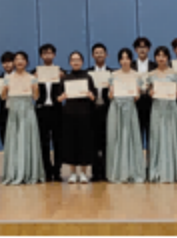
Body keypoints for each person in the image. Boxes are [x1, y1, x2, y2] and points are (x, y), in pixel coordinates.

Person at [145, 47, 177, 184]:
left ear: (168, 58)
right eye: (158, 55)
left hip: (171, 108)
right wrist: (150, 92)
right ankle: (157, 170)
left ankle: (175, 171)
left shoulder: (174, 73)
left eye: (164, 56)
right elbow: (147, 89)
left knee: (172, 136)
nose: (161, 58)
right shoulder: (151, 74)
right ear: (155, 58)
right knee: (157, 137)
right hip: (157, 108)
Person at [2, 52, 46, 186]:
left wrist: (36, 89)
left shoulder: (32, 78)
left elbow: (36, 98)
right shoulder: (8, 78)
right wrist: (4, 89)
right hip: (13, 112)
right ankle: (13, 172)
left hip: (28, 112)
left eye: (22, 59)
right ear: (14, 62)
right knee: (14, 141)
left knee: (28, 140)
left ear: (27, 62)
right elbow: (3, 97)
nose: (19, 61)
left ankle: (30, 172)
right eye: (17, 59)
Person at [106, 48, 146, 184]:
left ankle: (132, 171)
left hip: (130, 109)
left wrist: (137, 94)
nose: (124, 61)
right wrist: (111, 92)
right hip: (116, 109)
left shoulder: (137, 75)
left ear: (131, 60)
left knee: (131, 137)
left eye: (127, 58)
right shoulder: (113, 75)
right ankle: (117, 171)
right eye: (122, 58)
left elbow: (137, 97)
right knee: (116, 138)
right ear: (119, 60)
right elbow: (109, 96)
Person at [58, 52, 96, 185]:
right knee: (71, 143)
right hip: (69, 114)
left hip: (85, 114)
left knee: (84, 143)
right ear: (69, 62)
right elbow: (58, 98)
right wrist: (61, 97)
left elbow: (94, 97)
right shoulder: (65, 78)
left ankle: (84, 173)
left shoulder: (88, 77)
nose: (75, 62)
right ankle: (73, 173)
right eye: (73, 60)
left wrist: (90, 95)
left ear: (82, 62)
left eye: (78, 60)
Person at [35, 44, 64, 183]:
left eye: (50, 53)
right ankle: (47, 171)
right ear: (41, 56)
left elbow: (68, 89)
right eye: (45, 53)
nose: (47, 55)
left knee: (58, 141)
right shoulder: (35, 72)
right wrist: (34, 80)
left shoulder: (61, 72)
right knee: (43, 142)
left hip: (57, 110)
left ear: (54, 55)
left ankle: (57, 171)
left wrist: (63, 78)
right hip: (42, 110)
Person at [90, 43, 111, 182]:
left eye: (101, 52)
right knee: (94, 142)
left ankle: (106, 172)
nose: (99, 55)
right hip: (92, 111)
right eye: (96, 53)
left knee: (107, 141)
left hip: (107, 110)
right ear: (93, 55)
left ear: (106, 55)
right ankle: (95, 172)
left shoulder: (112, 73)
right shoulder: (88, 73)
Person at [133, 37, 157, 149]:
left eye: (144, 47)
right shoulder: (130, 66)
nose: (142, 50)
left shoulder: (155, 66)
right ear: (135, 50)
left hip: (152, 102)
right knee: (136, 132)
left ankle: (151, 158)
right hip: (135, 102)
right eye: (139, 47)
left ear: (149, 49)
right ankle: (138, 158)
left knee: (152, 132)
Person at [0, 52, 16, 146]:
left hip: (18, 111)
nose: (7, 64)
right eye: (4, 62)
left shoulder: (20, 77)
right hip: (4, 112)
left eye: (9, 62)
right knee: (5, 139)